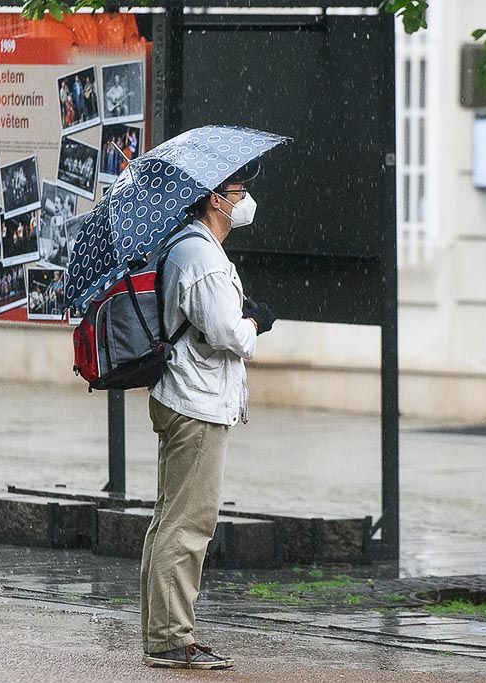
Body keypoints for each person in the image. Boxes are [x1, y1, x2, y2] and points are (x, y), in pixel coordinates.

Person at [141, 159, 275, 671]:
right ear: (217, 200)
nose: (246, 199)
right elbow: (226, 334)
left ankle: (162, 633)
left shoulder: (188, 246)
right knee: (189, 523)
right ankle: (173, 638)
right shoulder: (203, 256)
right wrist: (256, 322)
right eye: (239, 190)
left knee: (168, 521)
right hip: (196, 402)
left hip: (183, 395)